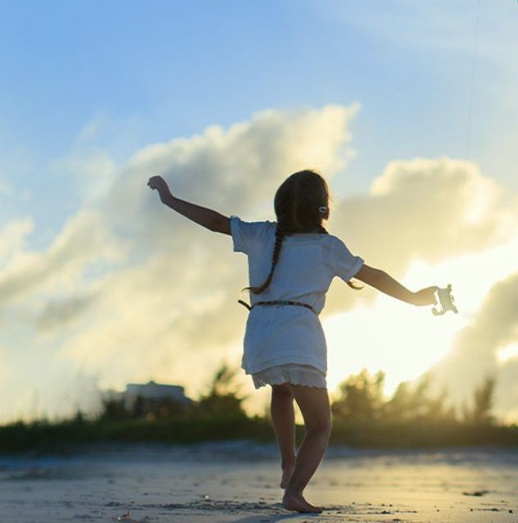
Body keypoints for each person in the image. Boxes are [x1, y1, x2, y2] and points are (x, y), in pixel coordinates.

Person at [147, 170, 438, 513]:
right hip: (299, 333)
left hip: (261, 333)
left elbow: (214, 221)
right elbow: (373, 277)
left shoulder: (261, 235)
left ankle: (288, 463)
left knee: (282, 391)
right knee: (320, 426)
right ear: (323, 210)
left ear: (280, 207)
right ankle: (295, 491)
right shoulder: (328, 247)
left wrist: (169, 199)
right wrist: (415, 297)